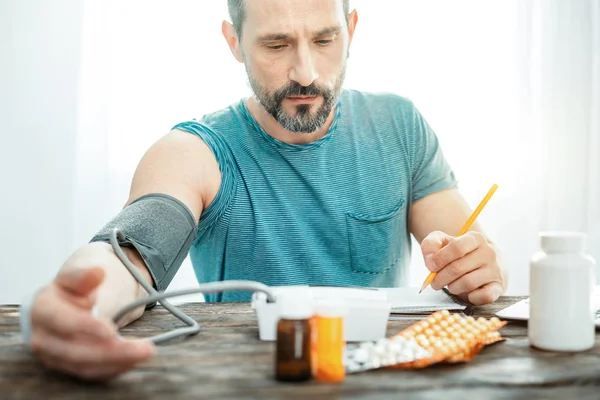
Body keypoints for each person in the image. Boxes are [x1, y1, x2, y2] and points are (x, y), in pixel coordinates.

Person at [24, 0, 507, 381]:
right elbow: (128, 254)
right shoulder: (195, 150)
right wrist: (79, 301)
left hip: (383, 375)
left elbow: (467, 254)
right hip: (253, 382)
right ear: (234, 40)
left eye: (325, 39)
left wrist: (476, 268)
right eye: (276, 45)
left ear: (352, 28)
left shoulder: (400, 126)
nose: (306, 72)